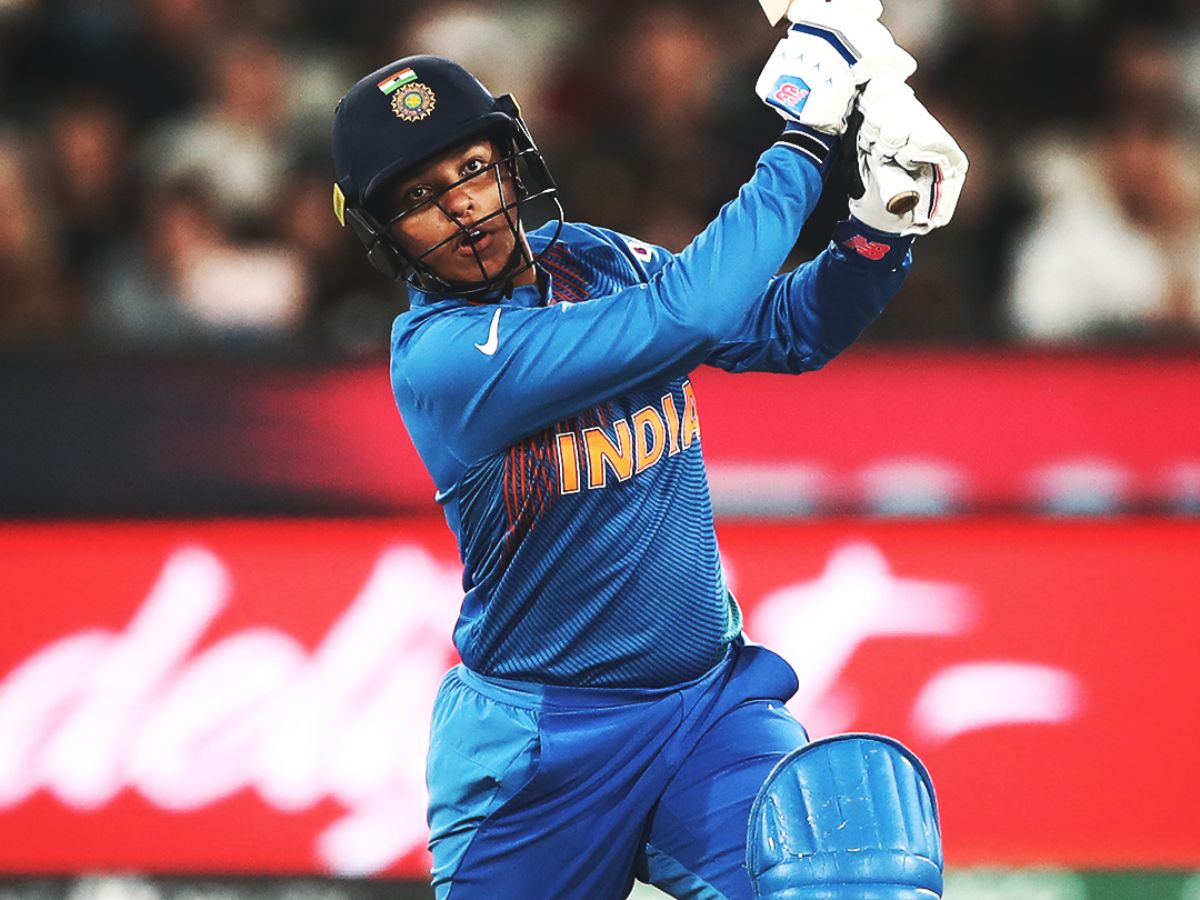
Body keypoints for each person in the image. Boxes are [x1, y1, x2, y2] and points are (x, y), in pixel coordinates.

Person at [330, 2, 967, 897]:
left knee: (844, 880)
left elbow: (786, 329)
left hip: (708, 708)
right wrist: (803, 137)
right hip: (541, 754)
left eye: (471, 169)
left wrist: (877, 230)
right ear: (384, 236)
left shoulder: (590, 259)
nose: (462, 205)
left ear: (511, 162)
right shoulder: (443, 361)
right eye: (418, 199)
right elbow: (690, 315)